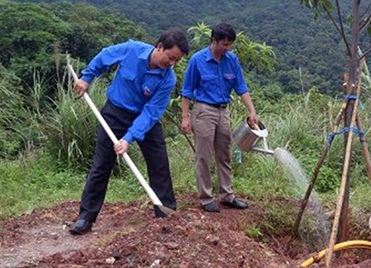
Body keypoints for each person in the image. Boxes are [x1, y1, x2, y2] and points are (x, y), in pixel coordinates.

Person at [70, 30, 190, 235]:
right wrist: (87, 77)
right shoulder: (132, 49)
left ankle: (166, 215)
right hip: (115, 112)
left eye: (176, 61)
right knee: (101, 165)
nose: (172, 64)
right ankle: (86, 217)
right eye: (170, 58)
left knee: (159, 164)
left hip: (145, 119)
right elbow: (105, 56)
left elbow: (151, 113)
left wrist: (128, 138)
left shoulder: (168, 79)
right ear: (159, 47)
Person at [181, 23, 258, 212]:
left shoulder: (231, 60)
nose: (227, 48)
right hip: (204, 110)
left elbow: (241, 87)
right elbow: (187, 90)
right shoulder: (197, 60)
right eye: (224, 44)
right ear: (214, 41)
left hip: (224, 110)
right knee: (204, 156)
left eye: (230, 44)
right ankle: (206, 197)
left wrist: (252, 111)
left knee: (224, 154)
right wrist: (185, 117)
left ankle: (227, 195)